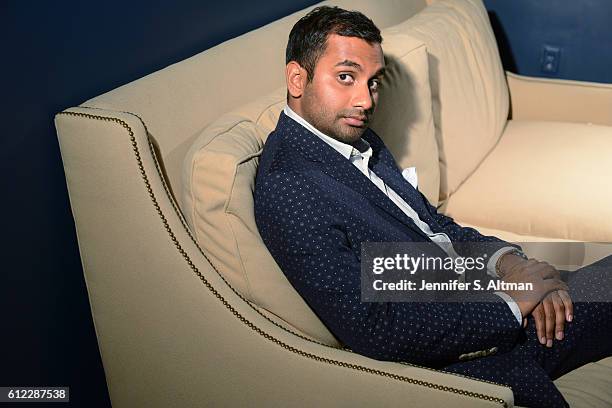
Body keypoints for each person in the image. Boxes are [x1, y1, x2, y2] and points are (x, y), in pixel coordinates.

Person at [254, 6, 612, 407]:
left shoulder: (355, 139)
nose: (365, 99)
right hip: (453, 360)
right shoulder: (290, 188)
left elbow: (434, 227)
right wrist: (513, 303)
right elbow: (374, 329)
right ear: (297, 79)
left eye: (373, 82)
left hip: (471, 285)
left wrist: (510, 264)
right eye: (345, 77)